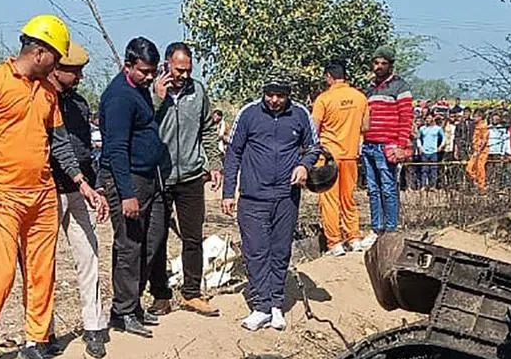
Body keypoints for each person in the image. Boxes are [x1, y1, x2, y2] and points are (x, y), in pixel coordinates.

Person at [0, 14, 106, 359]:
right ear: (40, 52)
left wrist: (82, 184)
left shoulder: (47, 93)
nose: (58, 66)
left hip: (42, 195)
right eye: (56, 58)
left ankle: (35, 343)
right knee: (2, 273)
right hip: (5, 195)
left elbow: (59, 143)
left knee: (43, 273)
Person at [222, 74, 321, 332]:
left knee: (280, 251)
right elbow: (233, 153)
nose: (275, 100)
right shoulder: (248, 114)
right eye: (270, 94)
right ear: (263, 92)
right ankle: (261, 306)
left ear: (288, 94)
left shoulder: (300, 114)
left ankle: (277, 304)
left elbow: (313, 147)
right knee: (255, 251)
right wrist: (228, 192)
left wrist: (304, 165)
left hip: (286, 197)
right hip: (253, 197)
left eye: (280, 95)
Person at [98, 37, 168, 339]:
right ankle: (123, 310)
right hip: (128, 180)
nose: (149, 76)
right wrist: (126, 193)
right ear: (128, 65)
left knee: (151, 241)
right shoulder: (119, 97)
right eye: (144, 71)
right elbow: (115, 148)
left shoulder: (139, 90)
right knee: (129, 245)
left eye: (153, 71)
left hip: (148, 177)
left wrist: (157, 97)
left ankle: (134, 304)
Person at [47, 40, 108, 359]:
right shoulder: (39, 101)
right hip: (48, 191)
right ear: (57, 68)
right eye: (75, 72)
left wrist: (95, 187)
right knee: (43, 264)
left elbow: (84, 151)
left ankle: (94, 326)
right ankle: (44, 332)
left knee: (89, 257)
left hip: (81, 190)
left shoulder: (79, 105)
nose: (80, 77)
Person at [154, 41, 223, 316]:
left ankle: (192, 293)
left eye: (188, 70)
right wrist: (158, 98)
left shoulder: (198, 91)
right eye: (178, 69)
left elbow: (207, 129)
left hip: (192, 176)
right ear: (167, 64)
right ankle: (160, 295)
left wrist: (214, 164)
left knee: (193, 237)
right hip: (160, 177)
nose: (183, 75)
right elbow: (142, 124)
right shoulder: (152, 90)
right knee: (157, 239)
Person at [311, 60, 367, 256]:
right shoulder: (360, 98)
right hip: (351, 155)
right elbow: (365, 126)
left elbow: (314, 130)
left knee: (329, 200)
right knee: (348, 198)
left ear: (328, 76)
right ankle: (354, 238)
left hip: (328, 157)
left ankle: (334, 243)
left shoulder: (323, 99)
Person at [361, 45, 412, 247]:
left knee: (389, 188)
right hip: (369, 145)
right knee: (373, 189)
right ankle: (376, 228)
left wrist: (400, 145)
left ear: (391, 65)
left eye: (383, 63)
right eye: (376, 63)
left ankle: (390, 230)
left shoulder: (400, 87)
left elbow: (406, 117)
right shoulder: (370, 88)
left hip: (388, 146)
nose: (379, 66)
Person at [415, 113, 444, 190]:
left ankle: (433, 186)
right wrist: (420, 147)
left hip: (434, 151)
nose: (428, 120)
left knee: (433, 169)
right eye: (427, 118)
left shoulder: (438, 129)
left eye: (429, 118)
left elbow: (443, 138)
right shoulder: (422, 129)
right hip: (425, 152)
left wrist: (440, 146)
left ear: (433, 119)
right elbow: (418, 138)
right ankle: (424, 185)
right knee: (424, 169)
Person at [466, 111, 490, 191]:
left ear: (480, 117)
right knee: (469, 168)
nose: (473, 118)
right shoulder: (475, 126)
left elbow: (484, 140)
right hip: (475, 150)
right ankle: (476, 180)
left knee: (480, 167)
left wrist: (478, 151)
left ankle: (481, 186)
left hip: (482, 151)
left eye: (475, 116)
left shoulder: (484, 127)